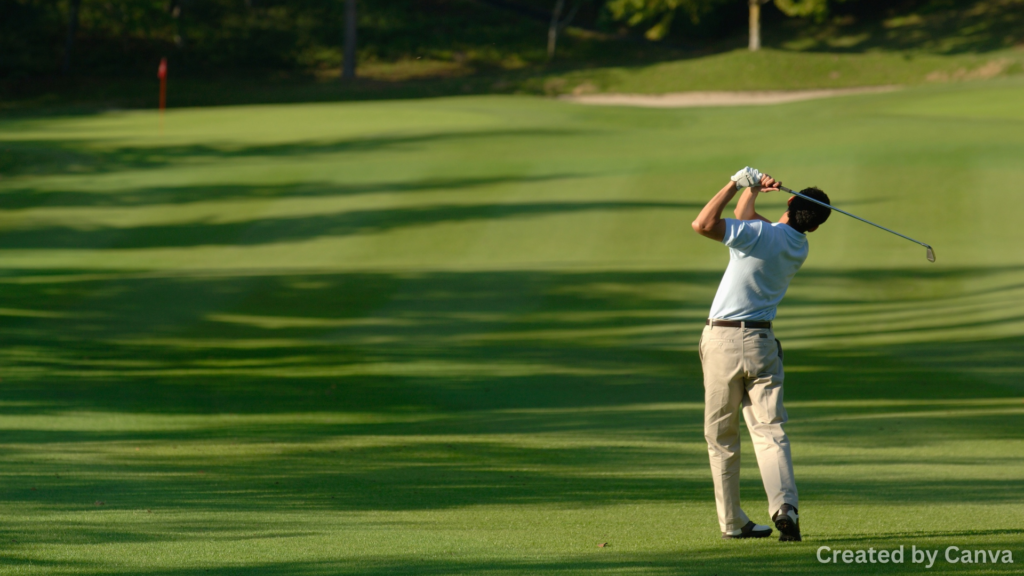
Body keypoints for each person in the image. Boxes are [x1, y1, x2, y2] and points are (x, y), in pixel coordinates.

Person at [690, 167, 832, 542]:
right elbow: (747, 221)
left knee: (722, 436)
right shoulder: (798, 245)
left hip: (723, 342)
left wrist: (737, 184)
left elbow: (703, 224)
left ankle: (733, 523)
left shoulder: (759, 235)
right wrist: (751, 192)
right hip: (763, 346)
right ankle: (785, 507)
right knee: (770, 431)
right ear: (815, 226)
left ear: (789, 201)